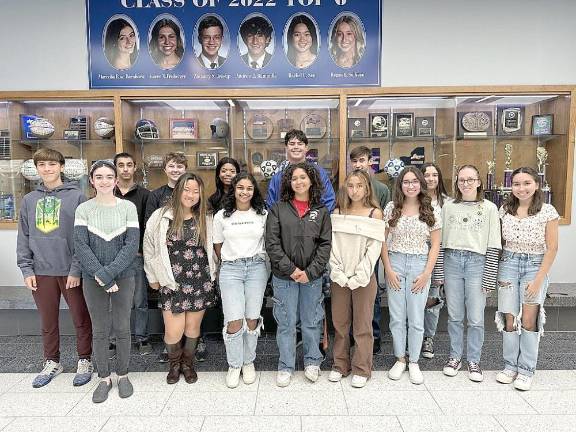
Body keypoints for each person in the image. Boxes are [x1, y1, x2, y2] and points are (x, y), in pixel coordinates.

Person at [16, 148, 93, 389]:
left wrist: (76, 269)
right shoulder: (29, 200)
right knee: (48, 320)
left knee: (81, 317)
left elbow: (83, 237)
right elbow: (24, 236)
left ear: (61, 166)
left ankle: (84, 360)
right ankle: (52, 361)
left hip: (70, 270)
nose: (47, 169)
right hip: (41, 270)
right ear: (36, 169)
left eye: (51, 164)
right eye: (42, 165)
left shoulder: (77, 197)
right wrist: (26, 269)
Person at [74, 160, 139, 403]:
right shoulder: (84, 209)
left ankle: (122, 375)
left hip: (123, 276)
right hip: (93, 279)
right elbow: (81, 246)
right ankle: (103, 377)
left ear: (116, 180)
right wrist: (101, 276)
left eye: (108, 176)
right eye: (98, 177)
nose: (104, 181)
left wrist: (109, 273)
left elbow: (131, 245)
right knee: (100, 330)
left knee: (122, 327)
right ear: (92, 180)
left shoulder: (127, 208)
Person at [143, 173, 218, 385]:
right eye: (187, 190)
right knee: (173, 330)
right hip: (171, 280)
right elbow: (149, 247)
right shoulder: (160, 216)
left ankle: (188, 364)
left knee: (192, 328)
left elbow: (214, 248)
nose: (191, 195)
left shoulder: (207, 216)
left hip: (199, 279)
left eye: (196, 191)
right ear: (178, 191)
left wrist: (215, 273)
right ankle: (174, 365)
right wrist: (152, 276)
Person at [265, 162, 332, 387]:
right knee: (286, 322)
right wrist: (292, 270)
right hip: (284, 278)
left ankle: (313, 361)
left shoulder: (321, 211)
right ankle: (286, 365)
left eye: (303, 177)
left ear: (311, 181)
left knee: (312, 320)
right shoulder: (278, 209)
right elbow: (272, 244)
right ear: (288, 183)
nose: (299, 182)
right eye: (294, 178)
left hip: (311, 279)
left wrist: (310, 273)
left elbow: (325, 245)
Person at [495, 167, 558, 391]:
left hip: (534, 265)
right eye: (517, 184)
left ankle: (526, 369)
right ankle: (510, 365)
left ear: (536, 185)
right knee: (509, 317)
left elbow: (552, 248)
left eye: (526, 183)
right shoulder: (504, 210)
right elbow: (499, 243)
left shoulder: (548, 211)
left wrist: (539, 278)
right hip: (509, 263)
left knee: (529, 320)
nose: (521, 188)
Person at [442, 164, 501, 382]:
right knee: (455, 316)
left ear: (478, 182)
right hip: (452, 261)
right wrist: (439, 272)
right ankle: (455, 356)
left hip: (477, 262)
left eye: (470, 179)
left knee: (475, 318)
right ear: (457, 183)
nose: (466, 184)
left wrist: (489, 276)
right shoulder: (448, 207)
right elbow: (440, 243)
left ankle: (474, 359)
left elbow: (494, 244)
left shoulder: (489, 208)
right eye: (461, 180)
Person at [382, 167, 441, 385]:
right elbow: (382, 240)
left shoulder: (431, 209)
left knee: (416, 317)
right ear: (400, 185)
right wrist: (387, 268)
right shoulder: (391, 208)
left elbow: (435, 245)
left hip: (419, 264)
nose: (410, 185)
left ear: (421, 184)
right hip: (395, 263)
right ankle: (400, 358)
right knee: (397, 316)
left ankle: (414, 361)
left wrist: (427, 273)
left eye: (414, 181)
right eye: (406, 182)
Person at [328, 170, 385, 388]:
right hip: (339, 277)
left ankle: (362, 368)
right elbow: (332, 246)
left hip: (364, 277)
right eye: (350, 185)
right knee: (340, 323)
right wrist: (339, 273)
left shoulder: (375, 214)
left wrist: (360, 274)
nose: (355, 190)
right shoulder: (338, 211)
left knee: (363, 324)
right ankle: (340, 365)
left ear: (367, 188)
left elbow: (374, 248)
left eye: (359, 186)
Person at [213, 173, 268, 388]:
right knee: (234, 319)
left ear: (254, 192)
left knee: (252, 317)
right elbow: (218, 245)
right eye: (240, 188)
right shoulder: (221, 216)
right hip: (231, 269)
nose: (245, 192)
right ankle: (234, 365)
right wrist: (230, 261)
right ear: (233, 190)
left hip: (256, 267)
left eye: (249, 188)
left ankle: (248, 362)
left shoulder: (262, 214)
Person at [349, 146, 390, 354]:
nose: (358, 165)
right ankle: (352, 335)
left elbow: (385, 223)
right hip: (349, 249)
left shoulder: (381, 190)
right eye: (354, 161)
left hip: (371, 250)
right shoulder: (349, 187)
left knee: (371, 294)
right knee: (350, 292)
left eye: (362, 160)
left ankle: (373, 335)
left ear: (370, 161)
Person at [113, 152, 151, 355]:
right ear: (115, 168)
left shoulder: (145, 195)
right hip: (111, 257)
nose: (125, 169)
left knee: (139, 301)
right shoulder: (108, 193)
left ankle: (142, 338)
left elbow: (147, 227)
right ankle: (115, 339)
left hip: (136, 256)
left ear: (134, 167)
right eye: (121, 165)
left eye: (129, 165)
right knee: (115, 301)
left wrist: (141, 252)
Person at [420, 162, 451, 359]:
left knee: (433, 296)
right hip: (417, 252)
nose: (431, 178)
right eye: (427, 175)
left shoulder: (448, 203)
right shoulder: (414, 200)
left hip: (439, 254)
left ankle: (427, 338)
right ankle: (412, 335)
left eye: (434, 175)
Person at [266, 129, 335, 212]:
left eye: (300, 144)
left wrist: (316, 221)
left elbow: (329, 201)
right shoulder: (277, 178)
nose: (296, 147)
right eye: (292, 144)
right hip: (284, 224)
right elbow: (271, 206)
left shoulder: (319, 173)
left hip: (314, 222)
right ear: (286, 148)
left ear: (306, 148)